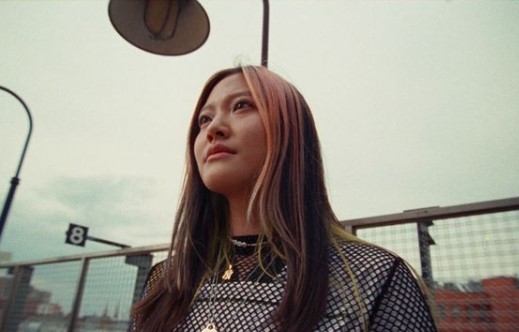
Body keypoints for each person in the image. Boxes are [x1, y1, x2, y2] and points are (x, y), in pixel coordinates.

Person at [131, 65, 438, 331]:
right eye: (204, 120)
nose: (214, 129)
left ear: (292, 132)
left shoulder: (373, 278)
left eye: (241, 106)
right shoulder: (165, 280)